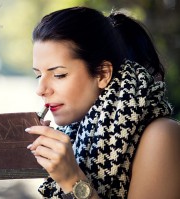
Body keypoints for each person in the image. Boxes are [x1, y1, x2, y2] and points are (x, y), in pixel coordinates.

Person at [25, 6, 180, 199]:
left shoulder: (162, 135)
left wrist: (72, 179)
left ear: (102, 74)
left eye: (59, 74)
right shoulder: (77, 136)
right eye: (38, 75)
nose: (40, 89)